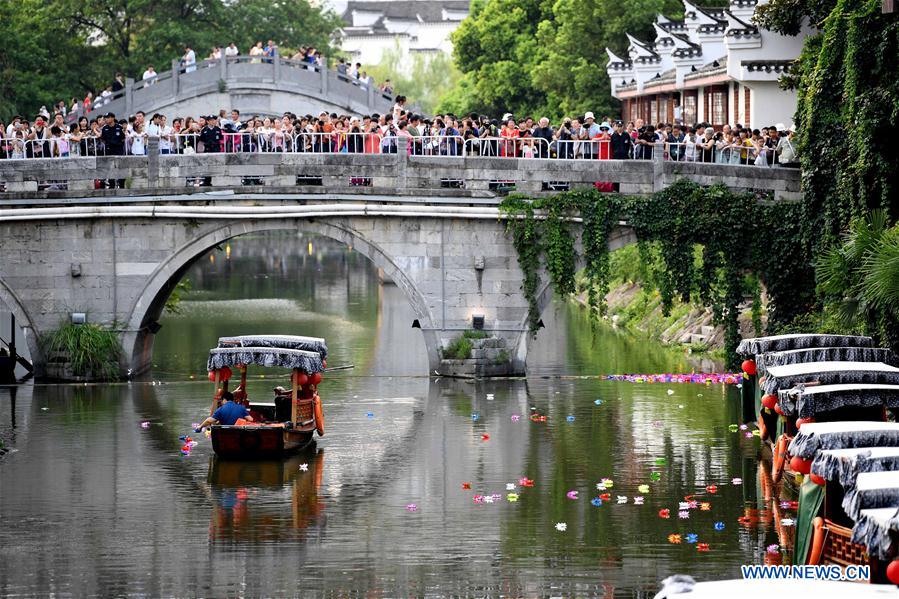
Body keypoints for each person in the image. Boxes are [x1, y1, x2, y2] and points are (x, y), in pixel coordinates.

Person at [100, 112, 126, 187]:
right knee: (110, 168)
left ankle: (121, 185)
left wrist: (117, 144)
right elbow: (103, 139)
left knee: (120, 167)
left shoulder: (119, 127)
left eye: (108, 117)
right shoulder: (105, 128)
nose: (106, 119)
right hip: (109, 150)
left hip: (118, 150)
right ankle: (112, 186)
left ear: (113, 118)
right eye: (106, 118)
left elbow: (123, 138)